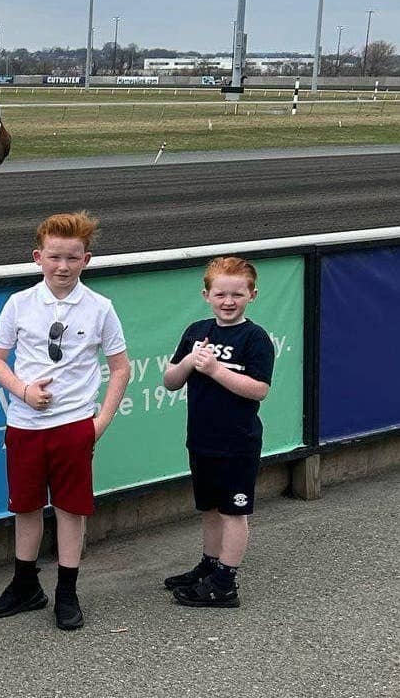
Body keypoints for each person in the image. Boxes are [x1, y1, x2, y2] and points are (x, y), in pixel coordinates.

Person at [0, 211, 131, 631]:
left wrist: (99, 421)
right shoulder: (20, 303)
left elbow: (120, 367)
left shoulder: (101, 308)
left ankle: (67, 589)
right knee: (25, 506)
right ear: (38, 257)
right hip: (25, 425)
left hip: (73, 426)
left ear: (86, 259)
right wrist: (23, 390)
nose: (62, 266)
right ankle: (25, 584)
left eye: (72, 258)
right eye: (54, 257)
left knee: (71, 508)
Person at [161, 256, 274, 608]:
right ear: (206, 295)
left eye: (237, 295)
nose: (228, 301)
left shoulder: (255, 339)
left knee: (233, 512)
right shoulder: (196, 332)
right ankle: (210, 566)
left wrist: (214, 369)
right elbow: (170, 381)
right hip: (201, 439)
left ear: (252, 295)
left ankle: (225, 582)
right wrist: (188, 363)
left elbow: (259, 389)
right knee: (209, 509)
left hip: (237, 442)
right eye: (221, 294)